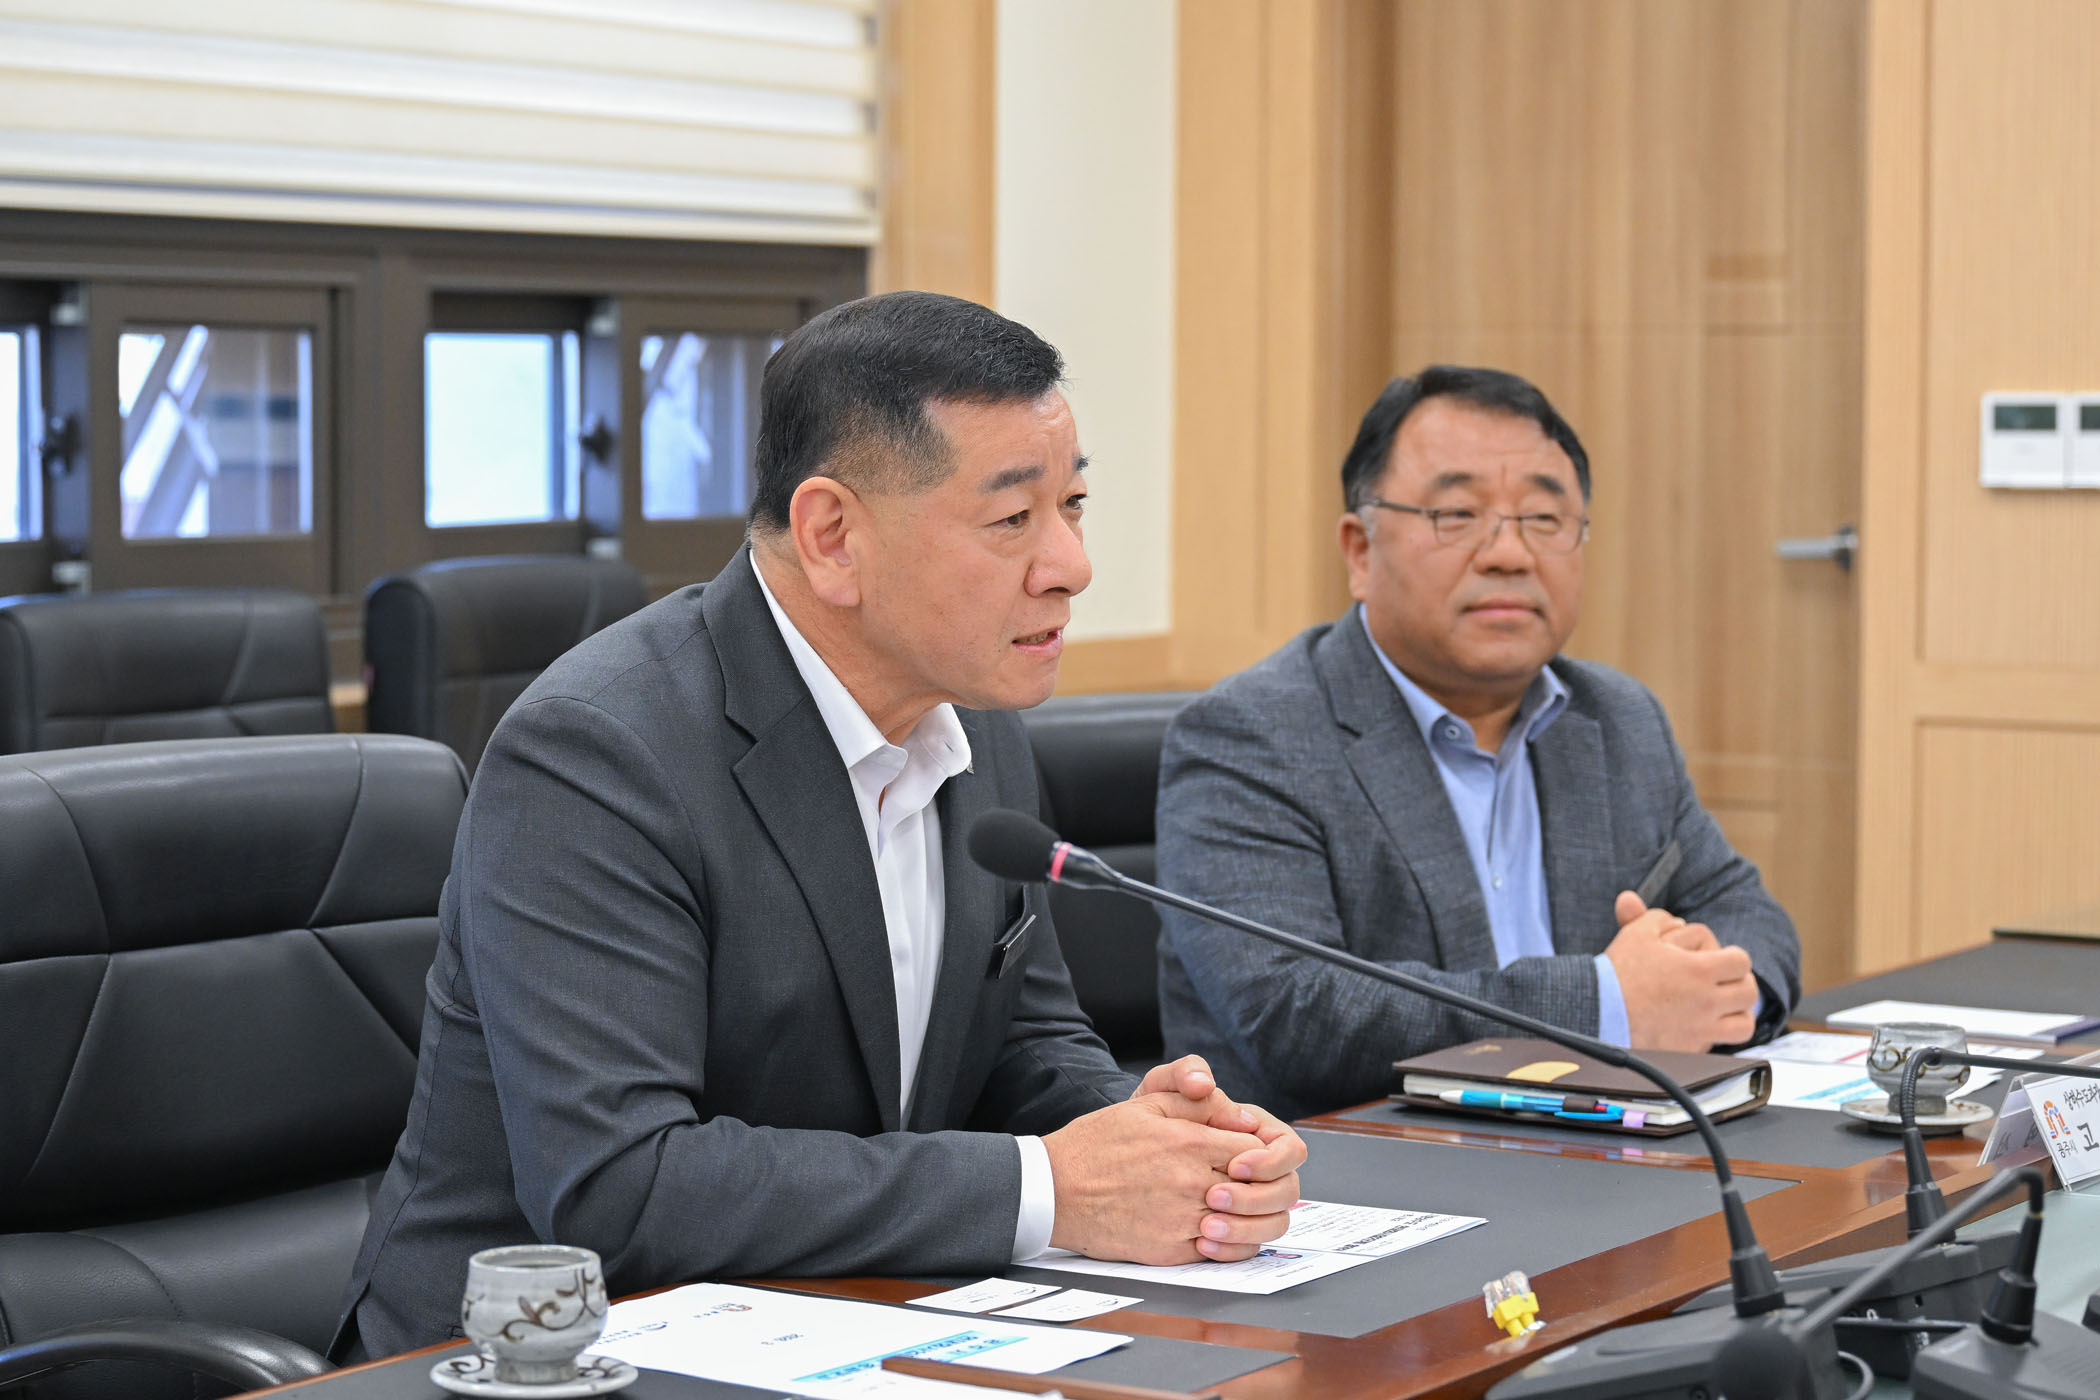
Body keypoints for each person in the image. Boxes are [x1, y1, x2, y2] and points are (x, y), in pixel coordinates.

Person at [337, 292, 1306, 1360]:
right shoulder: (597, 753)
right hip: (529, 1354)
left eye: (1073, 505)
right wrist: (1051, 1185)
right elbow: (620, 1187)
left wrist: (1154, 1139)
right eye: (1012, 520)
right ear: (833, 536)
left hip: (838, 1317)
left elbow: (1020, 1043)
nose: (1070, 564)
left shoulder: (975, 717)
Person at [1155, 365, 1800, 1122]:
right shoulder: (1252, 736)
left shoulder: (1617, 719)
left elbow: (1747, 915)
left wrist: (1713, 993)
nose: (1509, 554)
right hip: (1353, 1167)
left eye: (1544, 518)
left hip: (1608, 1152)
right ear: (1360, 551)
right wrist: (1606, 1005)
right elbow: (1294, 1014)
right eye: (1457, 514)